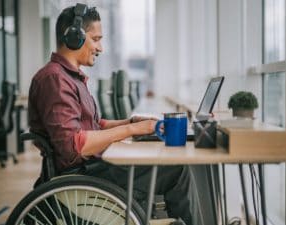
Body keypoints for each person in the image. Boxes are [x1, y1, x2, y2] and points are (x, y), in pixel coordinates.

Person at [28, 4, 200, 225]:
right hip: (83, 176)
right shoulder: (54, 79)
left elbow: (94, 125)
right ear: (74, 37)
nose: (100, 48)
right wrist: (132, 130)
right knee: (177, 170)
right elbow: (75, 145)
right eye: (96, 39)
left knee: (171, 166)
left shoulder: (70, 77)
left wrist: (131, 121)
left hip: (94, 168)